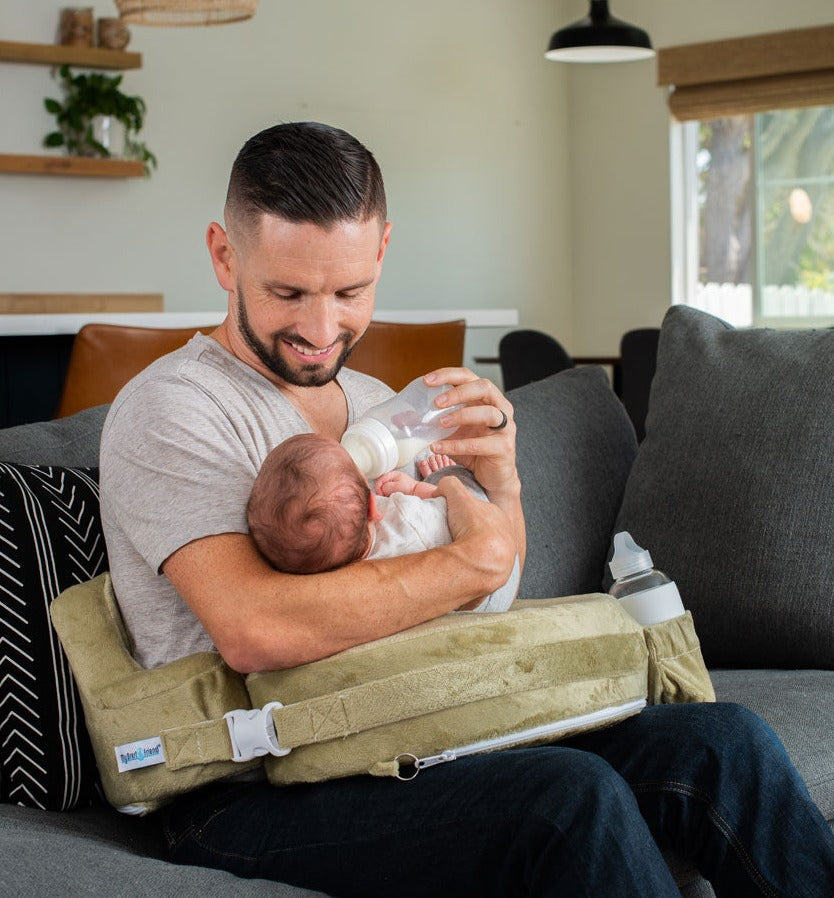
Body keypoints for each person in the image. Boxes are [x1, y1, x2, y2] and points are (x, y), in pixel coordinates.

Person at [100, 121, 834, 897]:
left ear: (382, 250)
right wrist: (466, 558)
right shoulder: (176, 408)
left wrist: (504, 486)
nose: (321, 330)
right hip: (247, 789)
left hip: (418, 727)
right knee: (565, 800)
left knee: (724, 744)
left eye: (349, 293)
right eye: (288, 292)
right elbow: (257, 629)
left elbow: (495, 589)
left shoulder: (383, 408)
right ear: (224, 255)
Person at [245, 433, 518, 612]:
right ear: (374, 505)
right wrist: (415, 488)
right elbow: (446, 506)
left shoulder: (335, 578)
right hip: (493, 592)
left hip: (461, 603)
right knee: (455, 482)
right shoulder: (407, 516)